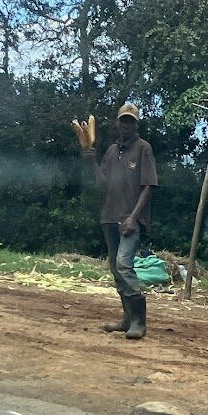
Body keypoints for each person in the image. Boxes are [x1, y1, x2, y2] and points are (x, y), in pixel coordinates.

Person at [82, 103, 158, 339]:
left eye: (130, 121)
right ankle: (126, 318)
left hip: (130, 219)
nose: (126, 125)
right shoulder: (112, 151)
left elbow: (148, 187)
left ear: (136, 124)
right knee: (115, 268)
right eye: (123, 121)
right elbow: (102, 185)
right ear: (118, 123)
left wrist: (133, 218)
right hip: (110, 216)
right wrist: (91, 162)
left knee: (124, 264)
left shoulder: (143, 148)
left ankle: (139, 321)